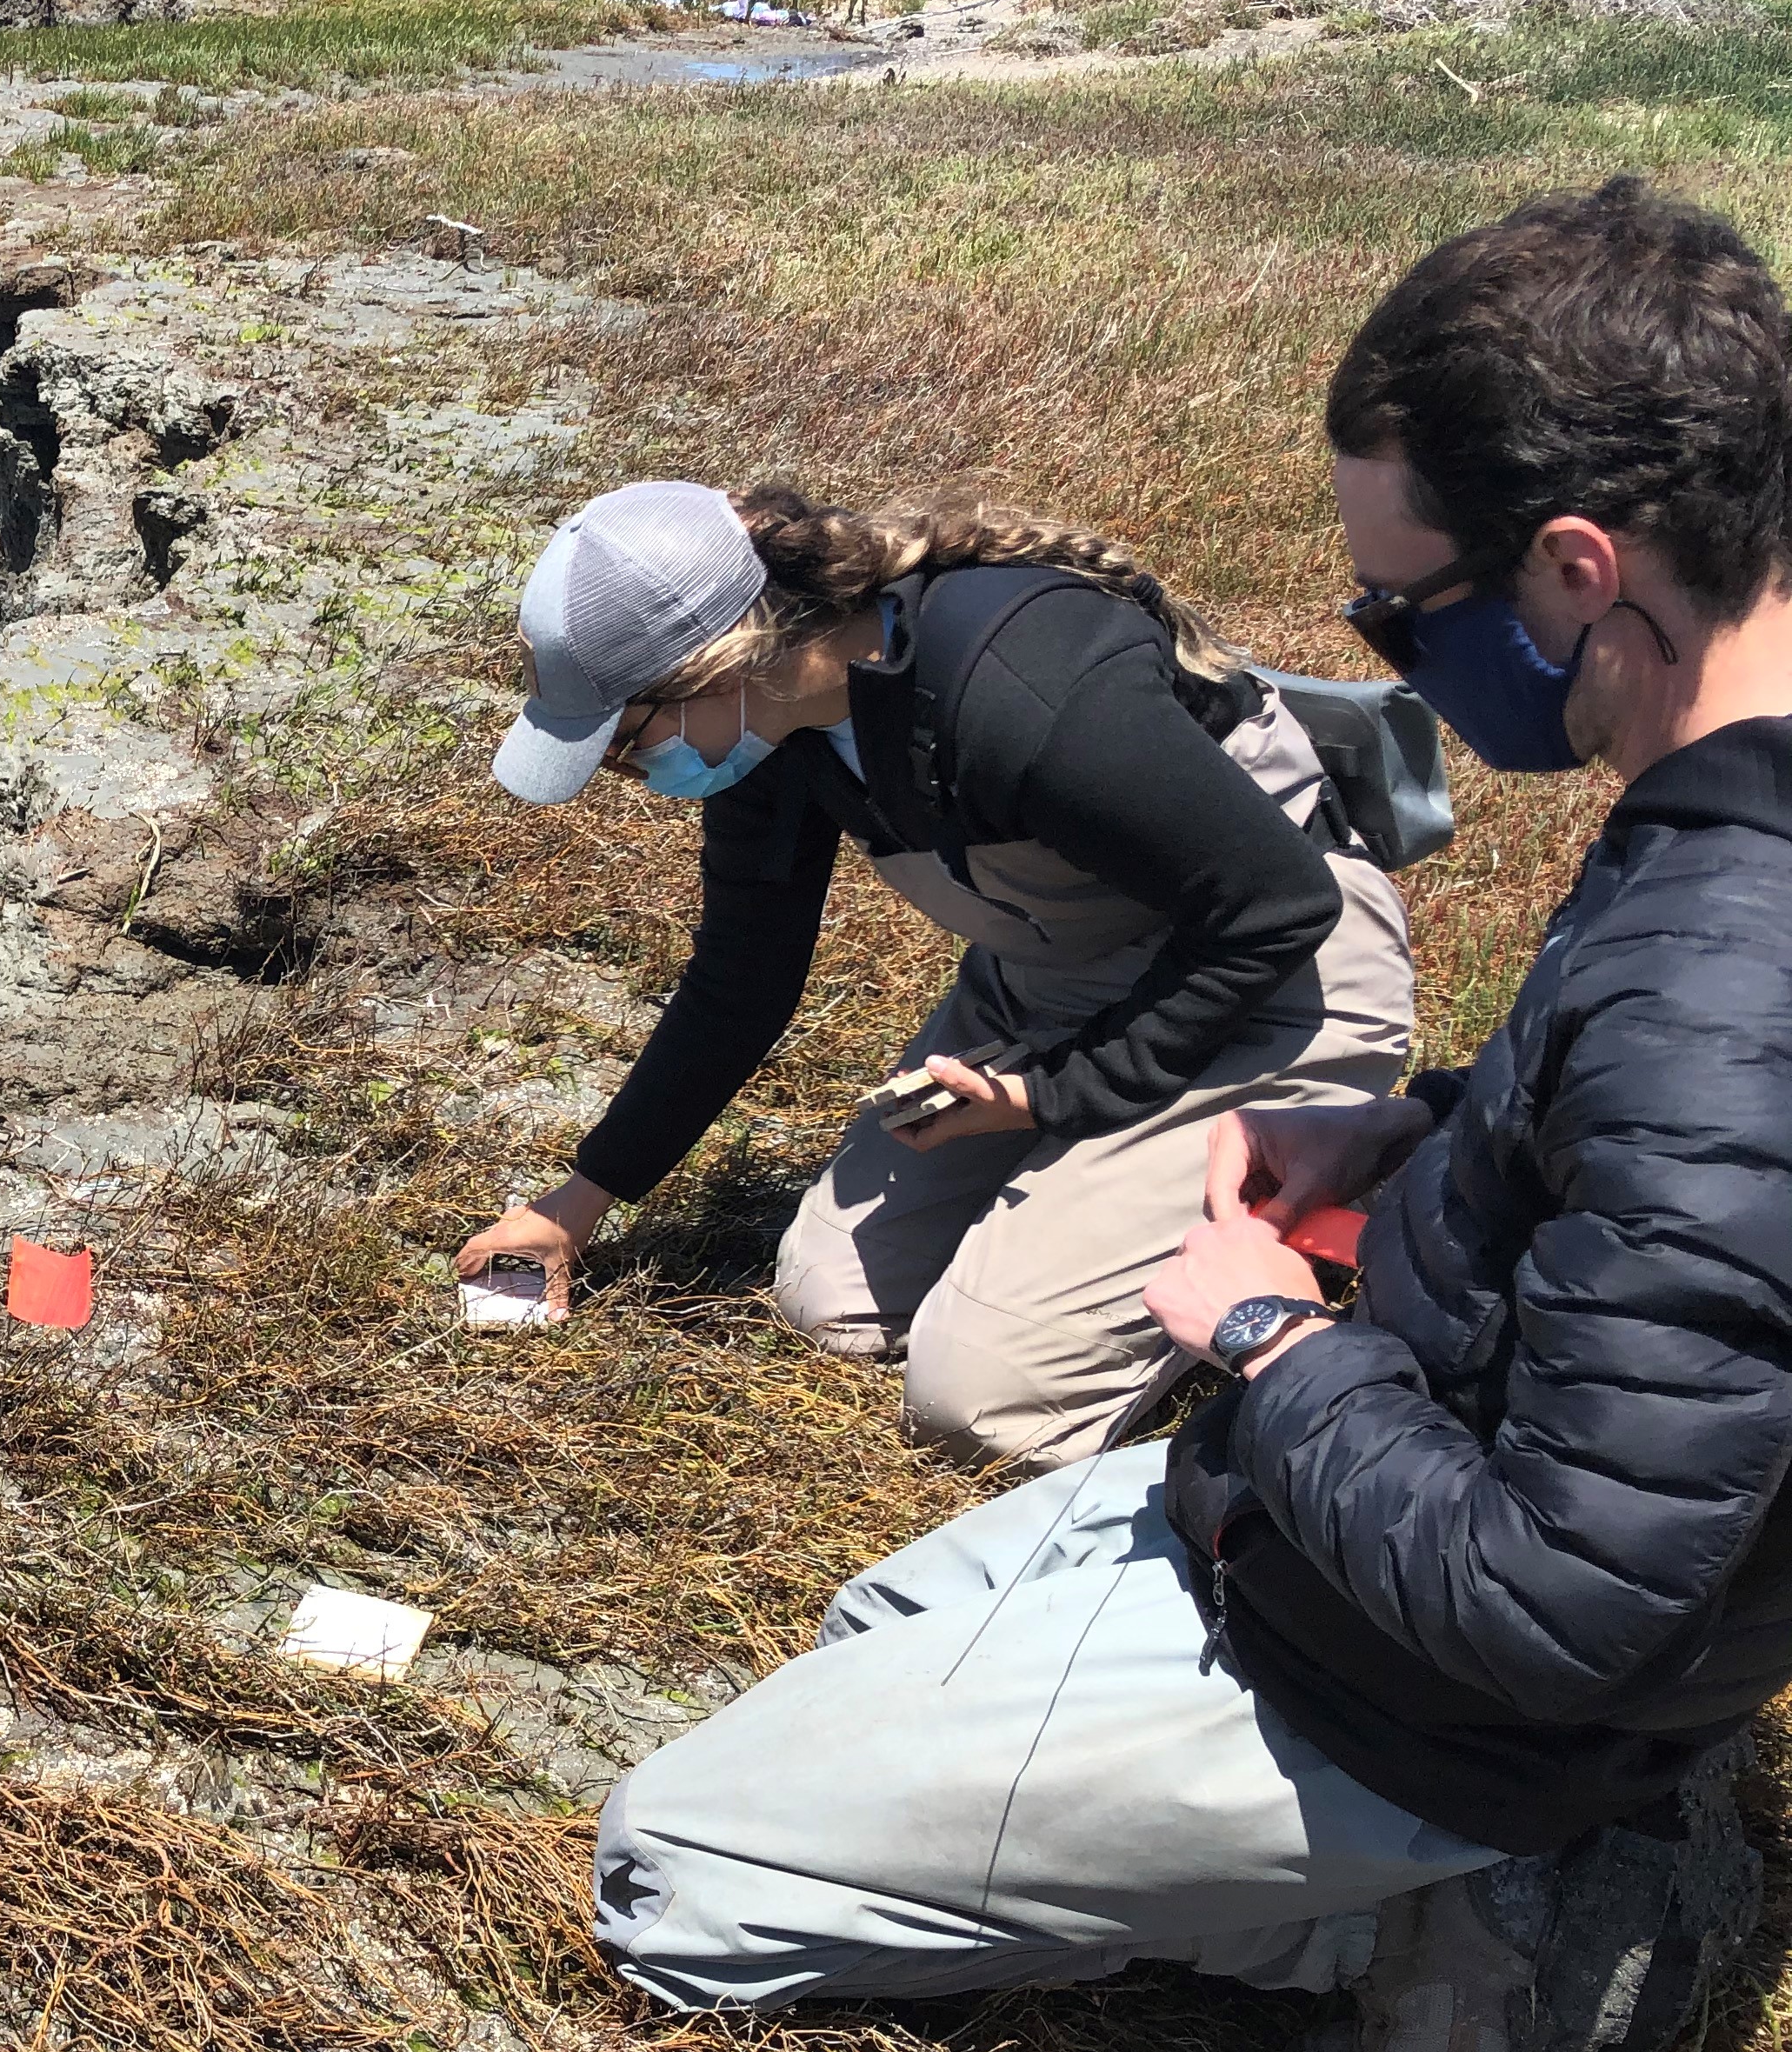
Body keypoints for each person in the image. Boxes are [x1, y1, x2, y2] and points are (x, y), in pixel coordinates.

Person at [593, 176, 1792, 2052]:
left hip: (1439, 1692)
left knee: (671, 1875)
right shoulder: (1705, 833)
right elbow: (1664, 1177)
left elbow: (1558, 1599)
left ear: (1583, 569)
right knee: (869, 1614)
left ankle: (1482, 1912)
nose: (1385, 655)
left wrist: (1260, 1335)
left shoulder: (1721, 985)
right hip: (1337, 1498)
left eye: (1402, 611)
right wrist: (1413, 1130)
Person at [454, 481, 1413, 1474]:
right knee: (827, 1302)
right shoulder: (771, 731)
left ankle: (1341, 1159)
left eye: (625, 740)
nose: (631, 772)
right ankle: (1111, 1177)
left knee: (984, 1406)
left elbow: (1277, 909)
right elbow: (743, 975)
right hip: (1058, 979)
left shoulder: (1027, 692)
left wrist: (1049, 1093)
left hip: (1277, 985)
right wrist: (579, 1201)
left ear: (723, 664)